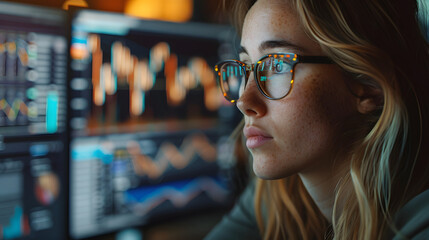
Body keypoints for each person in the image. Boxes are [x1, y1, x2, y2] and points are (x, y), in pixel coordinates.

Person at [205, 0, 429, 239]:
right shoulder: (279, 197)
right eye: (247, 66)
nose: (244, 102)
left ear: (367, 84)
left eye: (277, 65)